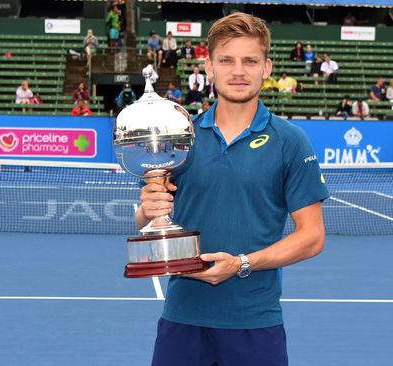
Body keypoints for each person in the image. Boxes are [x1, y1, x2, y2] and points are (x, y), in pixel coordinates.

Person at [142, 13, 327, 366]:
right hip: (183, 319)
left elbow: (313, 237)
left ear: (267, 68)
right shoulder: (178, 138)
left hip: (255, 325)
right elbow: (146, 222)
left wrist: (242, 264)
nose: (238, 71)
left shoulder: (290, 141)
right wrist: (148, 207)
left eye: (250, 61)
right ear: (209, 67)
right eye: (226, 60)